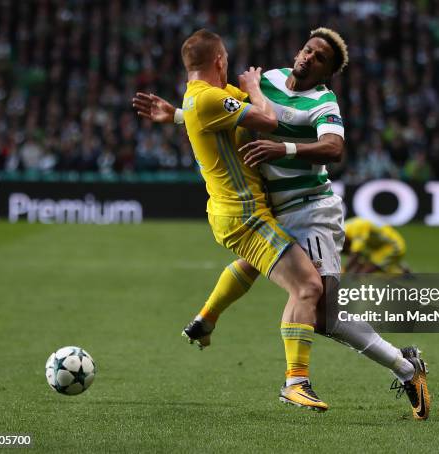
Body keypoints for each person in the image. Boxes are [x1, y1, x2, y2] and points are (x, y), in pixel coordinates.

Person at [133, 28, 430, 419]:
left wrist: (285, 147)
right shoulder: (268, 80)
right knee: (272, 274)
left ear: (327, 71)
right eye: (308, 49)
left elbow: (334, 147)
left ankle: (404, 367)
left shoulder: (323, 100)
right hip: (274, 209)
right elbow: (218, 113)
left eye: (319, 57)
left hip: (312, 211)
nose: (308, 57)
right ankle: (400, 366)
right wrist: (175, 115)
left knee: (324, 315)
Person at [135, 29, 329, 411]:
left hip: (236, 212)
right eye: (226, 58)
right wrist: (255, 86)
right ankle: (296, 382)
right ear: (219, 60)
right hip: (244, 215)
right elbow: (269, 121)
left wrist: (174, 114)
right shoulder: (209, 98)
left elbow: (214, 117)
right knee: (308, 287)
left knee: (253, 265)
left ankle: (205, 319)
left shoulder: (200, 98)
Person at [343, 217, 411, 275]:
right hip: (379, 248)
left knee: (363, 274)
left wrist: (344, 271)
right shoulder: (344, 228)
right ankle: (401, 270)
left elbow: (355, 254)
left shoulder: (358, 229)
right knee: (360, 271)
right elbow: (354, 255)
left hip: (393, 246)